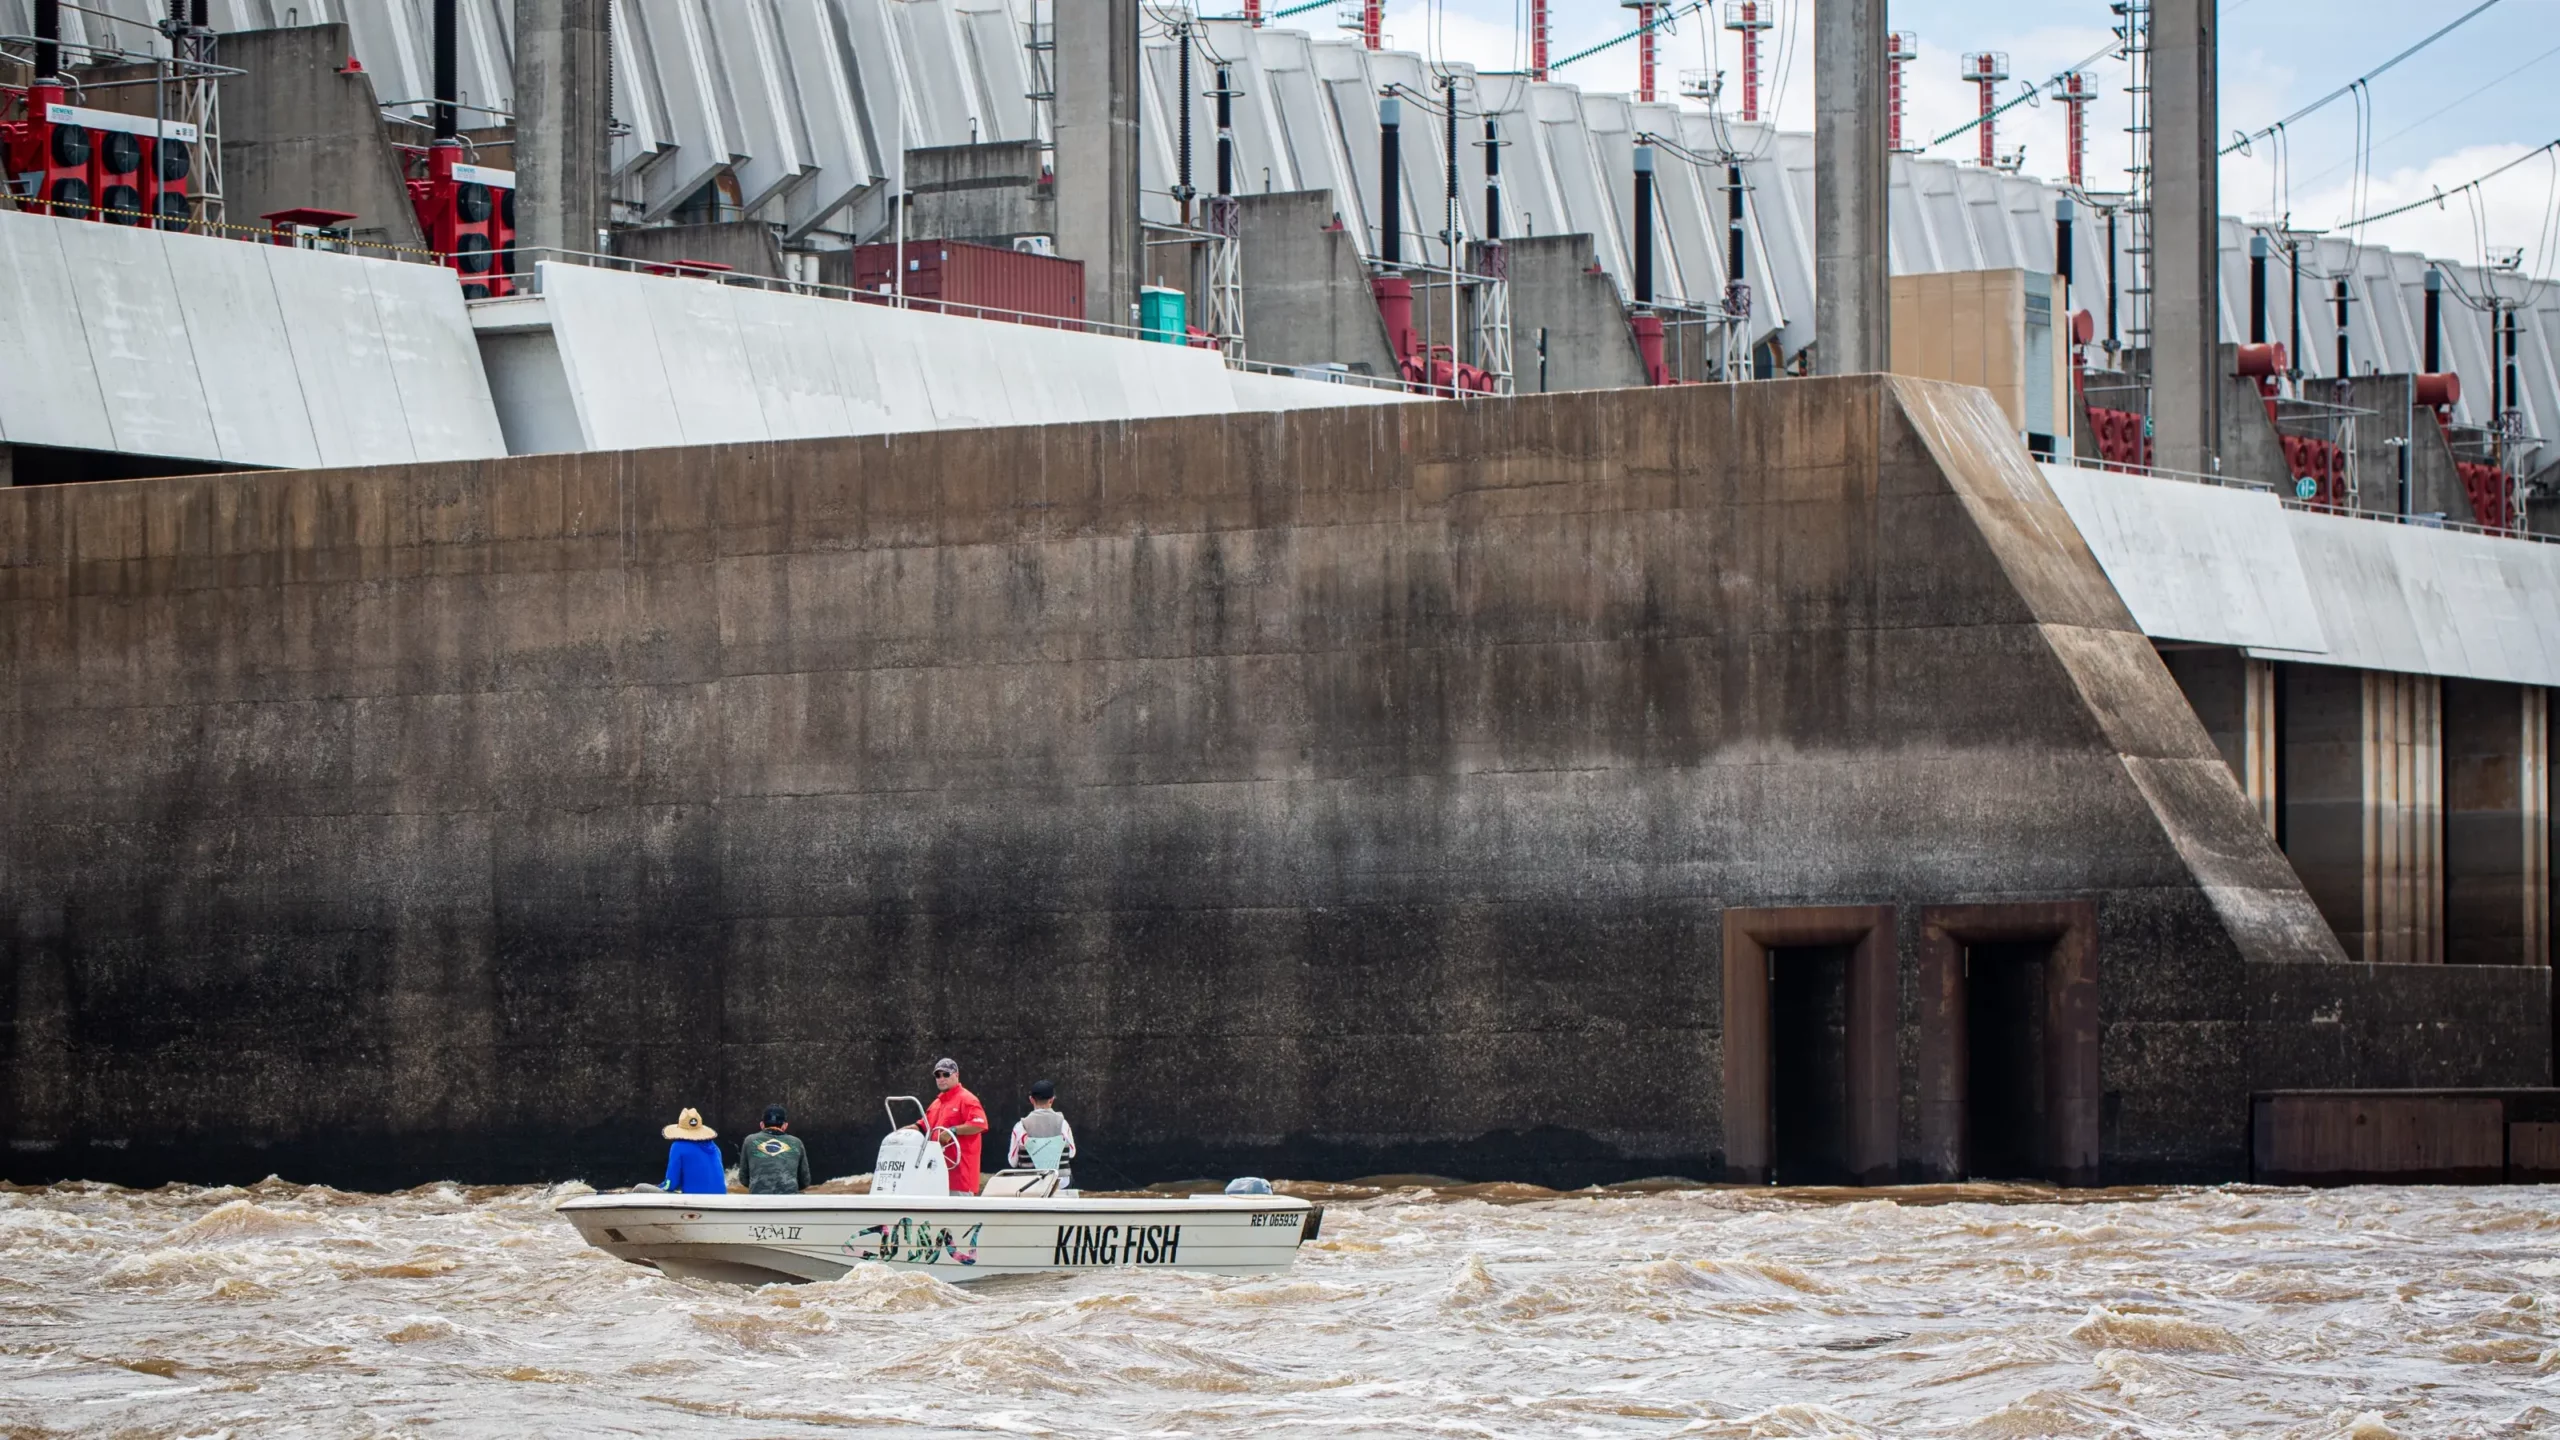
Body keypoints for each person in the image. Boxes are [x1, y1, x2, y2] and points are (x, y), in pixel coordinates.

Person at [918, 1057, 989, 1195]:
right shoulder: (936, 1103)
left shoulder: (968, 1099)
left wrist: (952, 1131)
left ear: (956, 1075)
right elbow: (922, 1126)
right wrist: (903, 1132)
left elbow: (980, 1124)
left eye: (946, 1074)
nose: (941, 1078)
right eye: (938, 1075)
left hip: (961, 1180)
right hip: (936, 1177)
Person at [1007, 1079, 1077, 1183]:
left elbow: (1013, 1162)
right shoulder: (1063, 1123)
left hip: (1030, 1184)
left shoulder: (1020, 1126)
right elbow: (1071, 1153)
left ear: (1031, 1100)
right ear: (1052, 1100)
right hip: (1059, 1183)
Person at [739, 1104, 811, 1195]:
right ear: (785, 1125)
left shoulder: (750, 1141)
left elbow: (743, 1179)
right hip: (788, 1201)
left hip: (758, 1200)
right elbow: (805, 1181)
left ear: (762, 1124)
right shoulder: (796, 1143)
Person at [661, 1107, 724, 1194]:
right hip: (721, 1200)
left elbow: (670, 1184)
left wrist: (659, 1186)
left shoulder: (678, 1146)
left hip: (696, 1202)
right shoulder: (715, 1148)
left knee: (640, 1188)